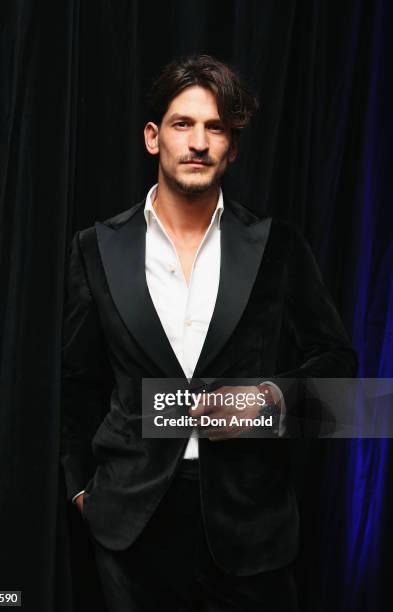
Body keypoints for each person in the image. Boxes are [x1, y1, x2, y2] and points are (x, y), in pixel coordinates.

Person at [60, 54, 357, 611]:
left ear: (232, 147)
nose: (199, 142)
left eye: (216, 127)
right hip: (129, 529)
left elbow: (339, 366)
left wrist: (270, 399)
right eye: (183, 124)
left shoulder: (278, 247)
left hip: (252, 529)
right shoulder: (96, 248)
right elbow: (75, 384)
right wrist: (81, 491)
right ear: (154, 138)